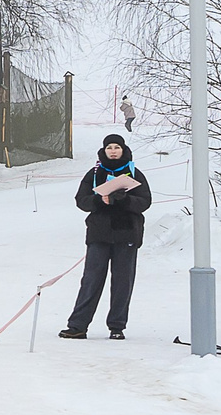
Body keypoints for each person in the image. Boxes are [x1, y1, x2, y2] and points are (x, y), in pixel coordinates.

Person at [59, 134, 152, 340]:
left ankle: (117, 326)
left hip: (127, 233)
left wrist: (124, 200)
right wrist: (100, 200)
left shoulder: (135, 173)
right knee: (91, 279)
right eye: (109, 147)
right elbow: (81, 201)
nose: (113, 151)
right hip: (99, 235)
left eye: (116, 147)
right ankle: (78, 325)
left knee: (122, 281)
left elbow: (145, 201)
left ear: (123, 149)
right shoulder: (94, 173)